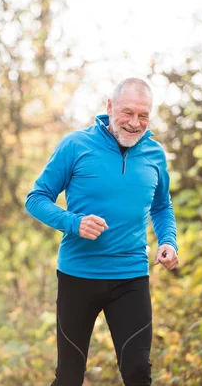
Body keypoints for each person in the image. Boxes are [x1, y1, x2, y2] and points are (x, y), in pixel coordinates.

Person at [25, 78, 179, 386]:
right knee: (69, 378)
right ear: (109, 107)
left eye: (143, 115)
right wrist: (74, 222)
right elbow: (36, 199)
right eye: (127, 113)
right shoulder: (75, 145)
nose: (135, 123)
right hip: (78, 275)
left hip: (130, 275)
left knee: (137, 372)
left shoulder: (155, 154)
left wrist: (167, 241)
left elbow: (161, 207)